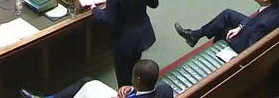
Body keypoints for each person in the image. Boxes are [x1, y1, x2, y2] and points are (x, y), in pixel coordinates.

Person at [91, 0, 159, 86]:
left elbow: (109, 22)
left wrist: (94, 10)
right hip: (141, 36)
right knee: (134, 68)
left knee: (123, 80)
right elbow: (154, 3)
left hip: (123, 41)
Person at [174, 0, 279, 50]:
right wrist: (240, 27)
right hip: (254, 27)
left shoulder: (263, 24)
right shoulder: (278, 3)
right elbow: (258, 19)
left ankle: (215, 53)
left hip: (247, 41)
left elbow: (250, 49)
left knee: (222, 30)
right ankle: (195, 35)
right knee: (227, 15)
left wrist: (236, 33)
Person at [19, 59, 173, 98]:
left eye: (133, 78)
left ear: (138, 80)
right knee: (86, 81)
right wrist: (132, 89)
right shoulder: (165, 90)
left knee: (87, 86)